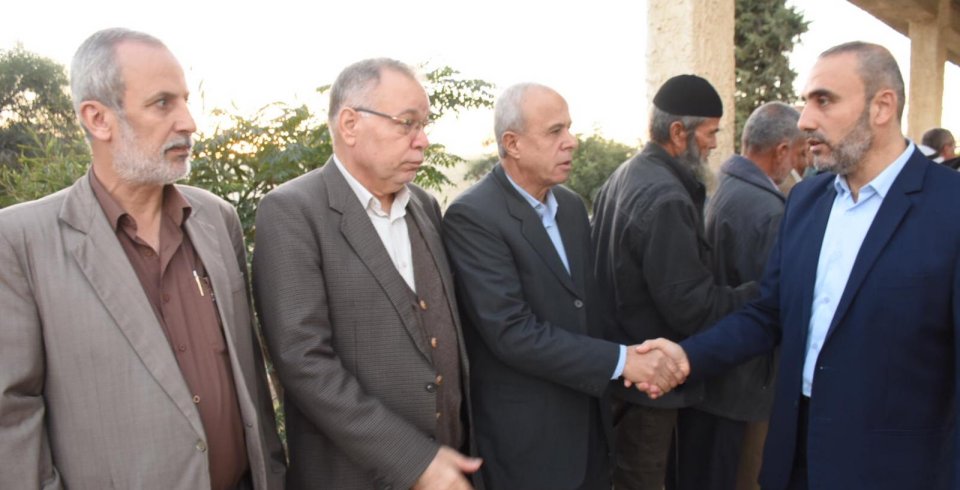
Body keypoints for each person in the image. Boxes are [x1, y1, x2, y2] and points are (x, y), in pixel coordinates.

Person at [641, 41, 960, 490]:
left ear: (882, 106)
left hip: (894, 471)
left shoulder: (950, 208)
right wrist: (688, 356)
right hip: (794, 459)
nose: (805, 120)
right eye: (806, 101)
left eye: (824, 100)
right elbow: (769, 313)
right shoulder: (807, 201)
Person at [0, 28, 285, 489]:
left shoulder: (217, 219)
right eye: (162, 103)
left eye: (185, 100)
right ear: (98, 118)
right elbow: (10, 420)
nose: (189, 122)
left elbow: (249, 376)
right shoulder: (18, 243)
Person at [253, 58, 482, 490]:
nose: (422, 140)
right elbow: (304, 362)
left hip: (451, 467)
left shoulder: (424, 206)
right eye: (407, 124)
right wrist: (415, 461)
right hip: (354, 476)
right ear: (350, 124)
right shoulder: (292, 212)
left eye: (424, 125)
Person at [441, 83, 683, 490]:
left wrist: (646, 355)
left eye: (569, 128)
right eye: (555, 131)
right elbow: (512, 332)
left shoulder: (570, 207)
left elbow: (588, 310)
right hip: (529, 446)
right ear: (512, 144)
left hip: (590, 433)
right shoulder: (473, 216)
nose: (571, 141)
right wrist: (623, 361)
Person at [590, 75, 758, 490]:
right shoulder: (666, 198)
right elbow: (691, 307)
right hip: (650, 385)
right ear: (679, 132)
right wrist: (760, 296)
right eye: (710, 133)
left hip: (622, 374)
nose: (715, 144)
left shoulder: (626, 173)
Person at [681, 102, 804, 490]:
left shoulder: (722, 185)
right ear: (781, 151)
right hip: (745, 382)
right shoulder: (768, 209)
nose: (801, 164)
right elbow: (772, 304)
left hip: (714, 367)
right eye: (799, 153)